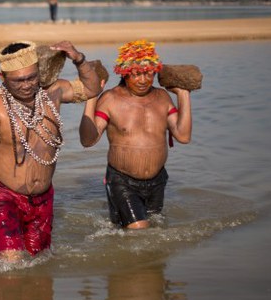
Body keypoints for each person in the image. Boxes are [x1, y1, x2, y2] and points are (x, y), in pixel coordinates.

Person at [0, 40, 101, 260]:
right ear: (2, 76)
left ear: (39, 71)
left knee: (38, 261)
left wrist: (78, 59)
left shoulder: (53, 92)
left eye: (31, 77)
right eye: (18, 80)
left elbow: (92, 89)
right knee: (11, 259)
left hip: (43, 197)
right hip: (4, 193)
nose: (27, 85)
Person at [79, 39, 192, 229]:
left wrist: (183, 94)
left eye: (148, 73)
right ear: (124, 73)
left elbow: (183, 136)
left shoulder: (162, 97)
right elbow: (87, 140)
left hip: (158, 180)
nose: (143, 80)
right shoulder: (111, 99)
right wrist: (91, 97)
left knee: (153, 231)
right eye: (136, 74)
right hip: (122, 181)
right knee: (140, 230)